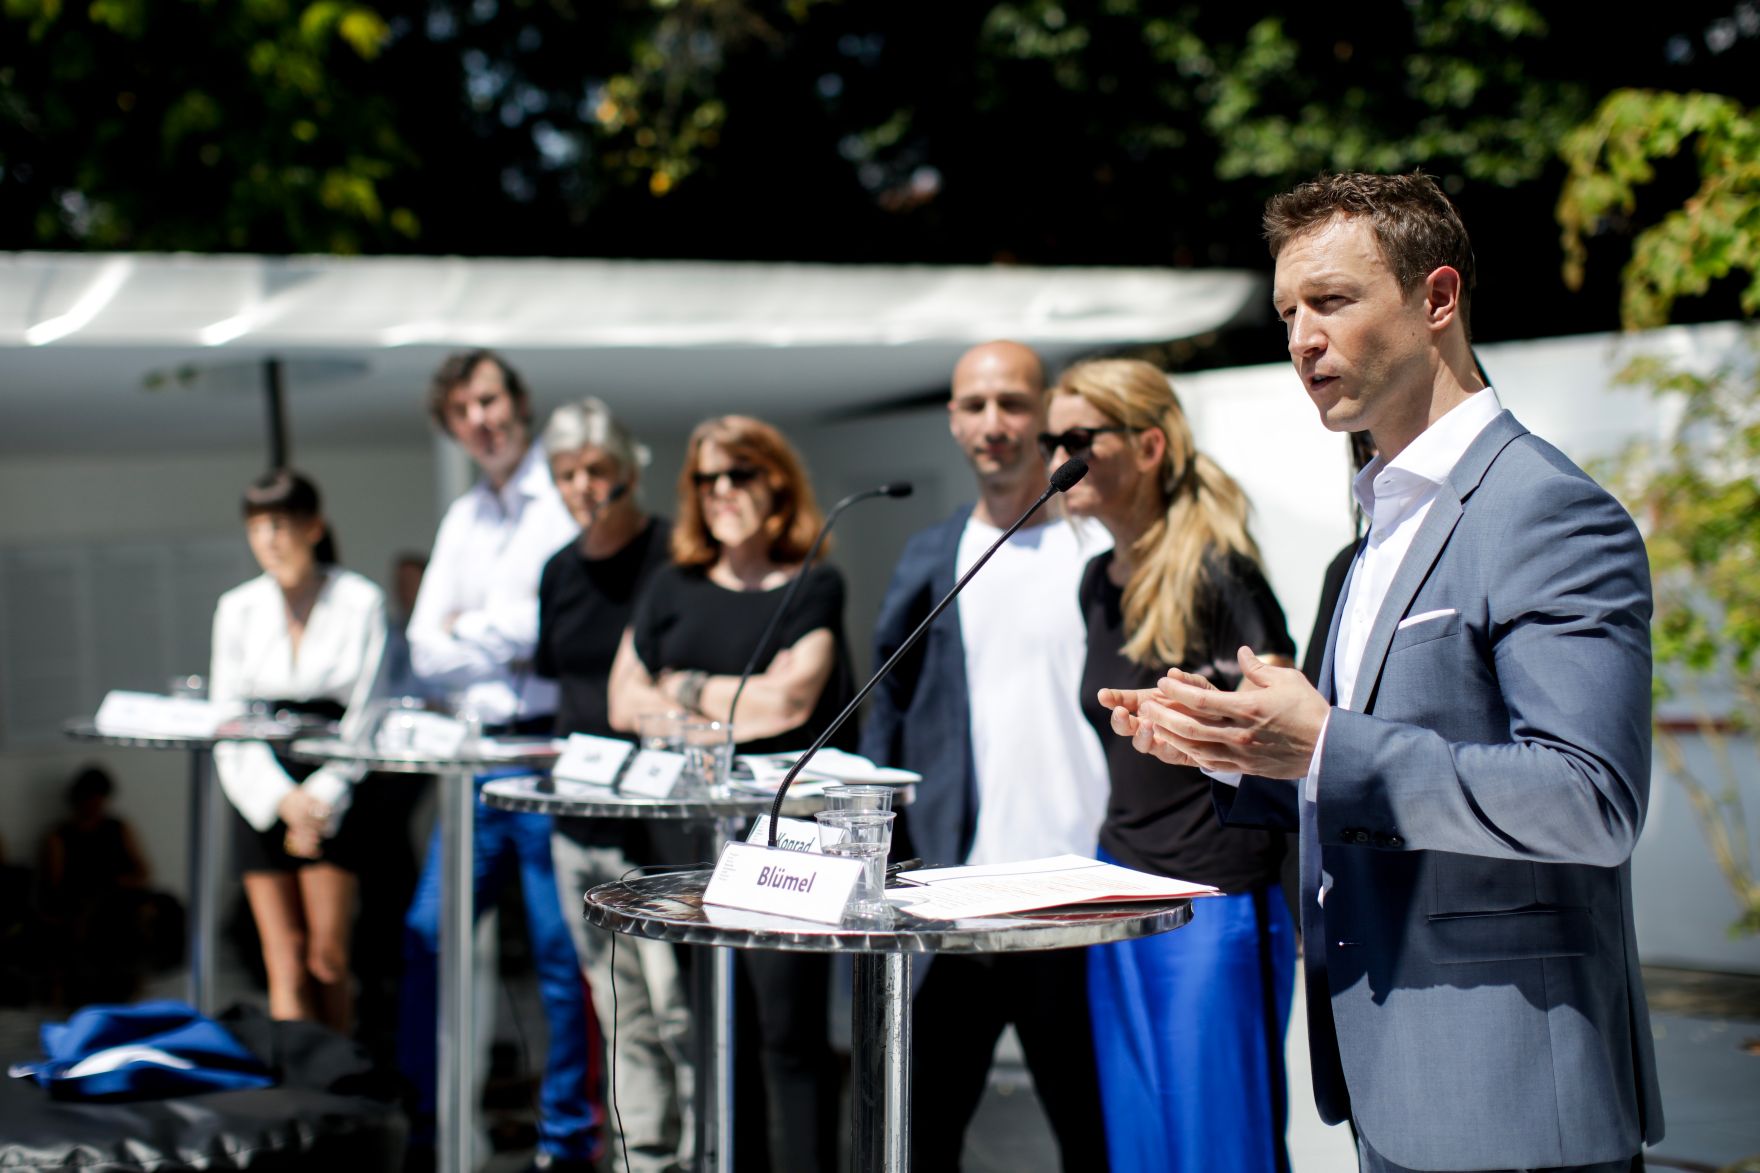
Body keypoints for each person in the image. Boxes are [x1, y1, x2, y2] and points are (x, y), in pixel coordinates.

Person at [1102, 172, 1663, 1173]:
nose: (1300, 340)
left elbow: (1589, 800)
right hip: (1389, 1076)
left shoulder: (1544, 509)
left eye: (1329, 301)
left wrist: (1323, 742)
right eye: (1287, 313)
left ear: (1436, 298)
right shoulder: (1372, 534)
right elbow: (1357, 781)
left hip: (1513, 1095)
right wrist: (1237, 749)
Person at [858, 340, 1112, 1173]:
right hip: (958, 900)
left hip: (1080, 898)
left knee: (1095, 1140)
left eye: (1012, 403)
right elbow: (888, 711)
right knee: (921, 1136)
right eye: (975, 405)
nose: (993, 423)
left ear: (1045, 413)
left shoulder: (1100, 549)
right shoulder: (932, 557)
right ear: (953, 420)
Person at [1049, 358, 1296, 1172]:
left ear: (1149, 446)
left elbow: (1283, 722)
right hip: (1120, 884)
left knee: (1218, 1144)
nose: (1058, 460)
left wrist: (1203, 714)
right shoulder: (1096, 582)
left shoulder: (1220, 572)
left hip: (1213, 897)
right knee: (1138, 1142)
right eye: (1051, 442)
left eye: (1078, 439)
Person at [608, 414, 857, 1173]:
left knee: (790, 1035)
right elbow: (621, 702)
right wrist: (725, 704)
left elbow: (786, 702)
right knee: (718, 1036)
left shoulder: (814, 582)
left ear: (775, 483)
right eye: (706, 478)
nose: (722, 491)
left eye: (739, 474)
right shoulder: (670, 585)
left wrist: (678, 688)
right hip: (691, 840)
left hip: (789, 842)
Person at [398, 349, 599, 1172]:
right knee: (427, 936)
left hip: (549, 753)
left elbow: (556, 629)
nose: (480, 419)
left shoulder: (567, 495)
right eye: (462, 410)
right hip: (477, 760)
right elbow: (422, 650)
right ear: (451, 425)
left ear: (518, 401)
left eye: (488, 399)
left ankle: (569, 1138)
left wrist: (470, 629)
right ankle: (428, 1123)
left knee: (560, 952)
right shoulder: (463, 518)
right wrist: (503, 632)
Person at [534, 398, 688, 1173]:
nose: (582, 486)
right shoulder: (558, 571)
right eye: (566, 473)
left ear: (628, 471)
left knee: (675, 1007)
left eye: (596, 469)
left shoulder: (672, 555)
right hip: (579, 819)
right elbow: (556, 682)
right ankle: (643, 1157)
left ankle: (706, 1147)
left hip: (658, 820)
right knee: (616, 1006)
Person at [209, 469, 389, 1031]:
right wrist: (281, 800)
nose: (269, 539)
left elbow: (369, 711)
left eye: (281, 525)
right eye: (257, 527)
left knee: (327, 958)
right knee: (283, 958)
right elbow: (227, 717)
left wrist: (320, 798)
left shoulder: (359, 600)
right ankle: (295, 1084)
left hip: (334, 780)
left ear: (314, 528)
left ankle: (341, 1076)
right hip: (258, 782)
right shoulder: (237, 607)